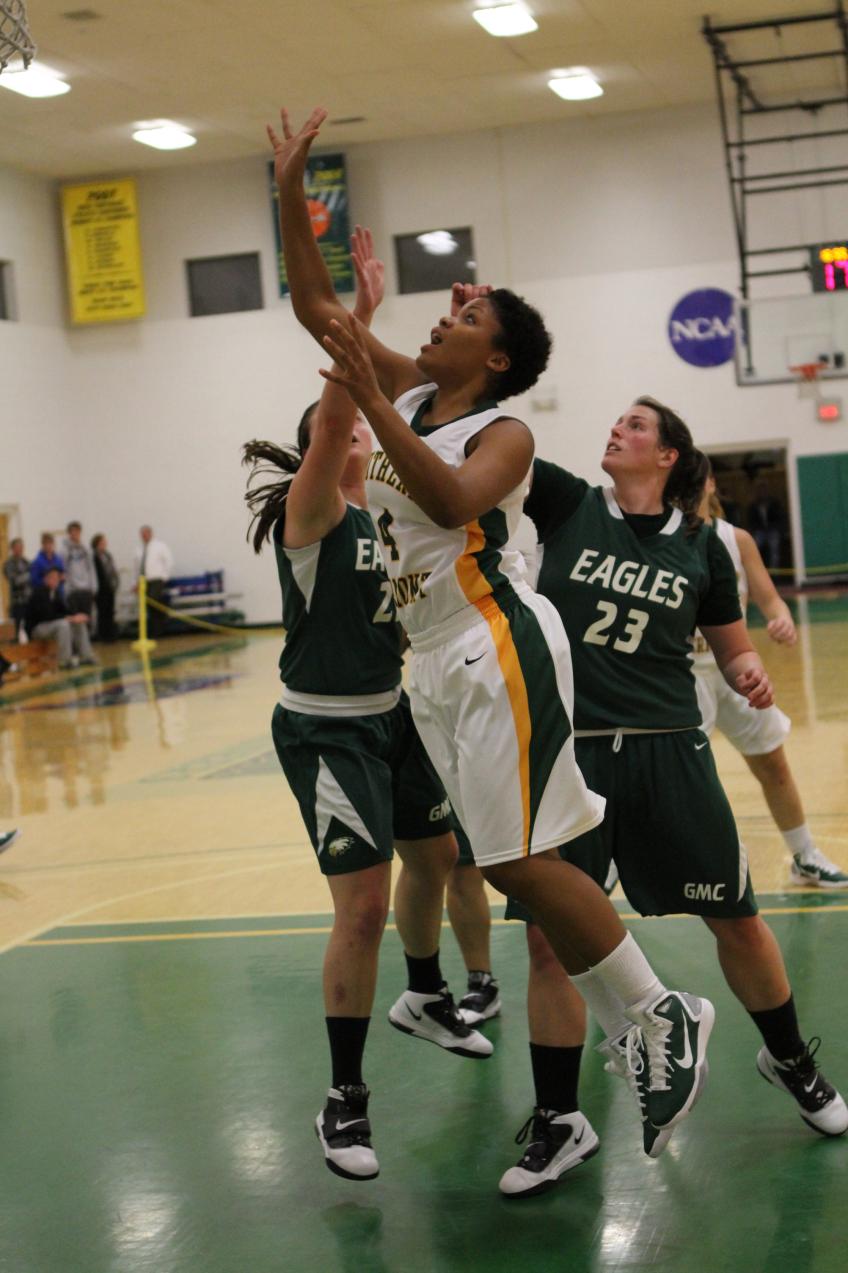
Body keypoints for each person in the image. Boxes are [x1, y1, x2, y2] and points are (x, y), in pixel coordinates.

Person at [270, 105, 716, 1161]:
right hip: (431, 662)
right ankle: (645, 1014)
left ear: (499, 355)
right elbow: (317, 308)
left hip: (494, 640)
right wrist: (289, 190)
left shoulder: (500, 430)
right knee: (514, 865)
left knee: (517, 860)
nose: (442, 321)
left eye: (466, 318)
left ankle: (659, 1010)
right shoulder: (418, 393)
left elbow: (446, 497)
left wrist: (373, 394)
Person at [489, 397, 845, 1197]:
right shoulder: (569, 503)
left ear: (669, 456)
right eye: (616, 421)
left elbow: (732, 648)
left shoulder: (705, 546)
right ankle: (559, 1118)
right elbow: (488, 441)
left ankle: (790, 1057)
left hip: (669, 749)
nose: (618, 428)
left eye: (637, 425)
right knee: (548, 942)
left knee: (739, 919)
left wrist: (750, 673)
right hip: (573, 755)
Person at [243, 226, 490, 1185]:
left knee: (440, 857)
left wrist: (439, 342)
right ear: (325, 441)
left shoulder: (388, 514)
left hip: (395, 713)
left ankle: (425, 992)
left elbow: (431, 424)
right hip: (324, 727)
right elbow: (343, 415)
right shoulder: (311, 516)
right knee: (361, 908)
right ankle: (344, 1096)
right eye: (339, 428)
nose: (351, 433)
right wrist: (360, 322)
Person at [693, 471, 848, 888]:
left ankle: (804, 857)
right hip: (684, 674)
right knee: (683, 782)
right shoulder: (662, 535)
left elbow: (770, 599)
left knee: (774, 765)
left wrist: (782, 619)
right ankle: (619, 864)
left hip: (737, 671)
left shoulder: (736, 539)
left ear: (710, 483)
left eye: (695, 478)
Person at [26, 565, 96, 669]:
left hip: (51, 625)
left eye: (57, 578)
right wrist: (69, 618)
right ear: (46, 579)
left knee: (78, 623)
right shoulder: (38, 593)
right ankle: (64, 661)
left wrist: (76, 616)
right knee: (63, 625)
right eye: (52, 578)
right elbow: (46, 615)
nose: (56, 580)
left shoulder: (56, 593)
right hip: (37, 628)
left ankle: (86, 656)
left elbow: (64, 610)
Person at [134, 526, 173, 639]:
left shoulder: (160, 546)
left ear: (150, 533)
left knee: (155, 602)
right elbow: (136, 567)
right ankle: (153, 630)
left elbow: (169, 561)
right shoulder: (139, 549)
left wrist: (164, 577)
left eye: (146, 533)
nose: (144, 536)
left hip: (156, 579)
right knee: (148, 606)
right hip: (144, 581)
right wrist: (136, 582)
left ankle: (159, 629)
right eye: (142, 534)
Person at [747, 477, 784, 570]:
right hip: (759, 531)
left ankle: (775, 573)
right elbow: (751, 521)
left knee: (774, 549)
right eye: (760, 490)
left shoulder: (774, 503)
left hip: (772, 530)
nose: (762, 492)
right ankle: (755, 570)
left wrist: (777, 528)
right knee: (753, 547)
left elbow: (779, 517)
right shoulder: (754, 505)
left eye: (764, 490)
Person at [62, 521, 97, 616]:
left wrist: (94, 587)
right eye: (72, 531)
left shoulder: (86, 549)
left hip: (86, 590)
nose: (75, 533)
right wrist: (66, 589)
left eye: (77, 531)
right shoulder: (64, 550)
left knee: (87, 618)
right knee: (75, 618)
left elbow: (91, 569)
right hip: (73, 591)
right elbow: (63, 570)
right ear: (69, 533)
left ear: (80, 532)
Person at [91, 533, 120, 643]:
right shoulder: (93, 557)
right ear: (96, 544)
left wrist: (115, 583)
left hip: (110, 588)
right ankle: (103, 636)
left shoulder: (108, 555)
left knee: (110, 612)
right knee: (102, 613)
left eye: (104, 542)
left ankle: (111, 635)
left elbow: (112, 570)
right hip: (100, 589)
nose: (104, 544)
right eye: (102, 542)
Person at [3, 538, 31, 637]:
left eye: (21, 547)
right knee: (15, 629)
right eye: (17, 547)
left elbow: (33, 578)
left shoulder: (26, 562)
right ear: (12, 549)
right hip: (16, 601)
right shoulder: (8, 564)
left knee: (30, 625)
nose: (19, 549)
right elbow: (14, 580)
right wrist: (27, 576)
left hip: (28, 599)